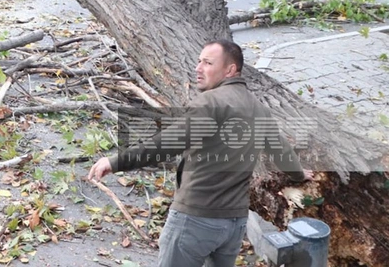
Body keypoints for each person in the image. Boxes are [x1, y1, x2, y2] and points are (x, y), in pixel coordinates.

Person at [88, 39, 312, 267]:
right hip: (234, 224)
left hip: (196, 219)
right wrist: (299, 174)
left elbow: (168, 143)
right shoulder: (258, 109)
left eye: (208, 63)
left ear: (230, 70)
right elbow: (281, 151)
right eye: (199, 61)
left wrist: (116, 162)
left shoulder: (211, 102)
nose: (198, 68)